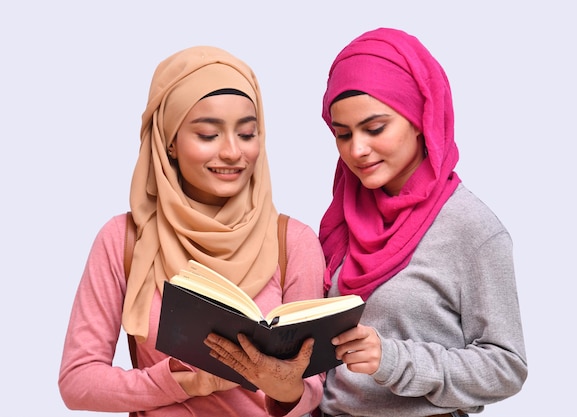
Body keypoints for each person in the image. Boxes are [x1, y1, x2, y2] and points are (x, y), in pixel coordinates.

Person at [58, 45, 325, 417]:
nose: (233, 152)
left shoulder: (292, 241)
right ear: (169, 140)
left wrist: (285, 386)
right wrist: (182, 383)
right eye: (208, 135)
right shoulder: (123, 239)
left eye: (247, 134)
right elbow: (78, 383)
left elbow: (313, 391)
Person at [317, 28, 528, 417]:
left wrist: (394, 360)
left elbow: (506, 367)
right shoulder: (342, 217)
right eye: (342, 134)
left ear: (419, 117)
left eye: (375, 128)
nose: (357, 150)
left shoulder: (472, 228)